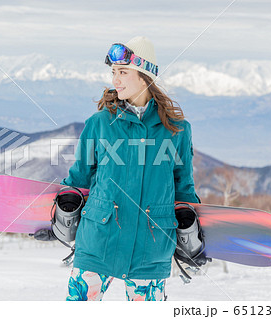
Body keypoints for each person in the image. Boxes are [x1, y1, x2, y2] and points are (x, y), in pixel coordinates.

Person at [44, 36, 201, 301]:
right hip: (98, 240)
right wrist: (63, 214)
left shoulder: (176, 130)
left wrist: (189, 231)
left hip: (151, 248)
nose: (115, 80)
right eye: (114, 72)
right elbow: (79, 178)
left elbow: (183, 187)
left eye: (123, 72)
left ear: (144, 76)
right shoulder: (100, 124)